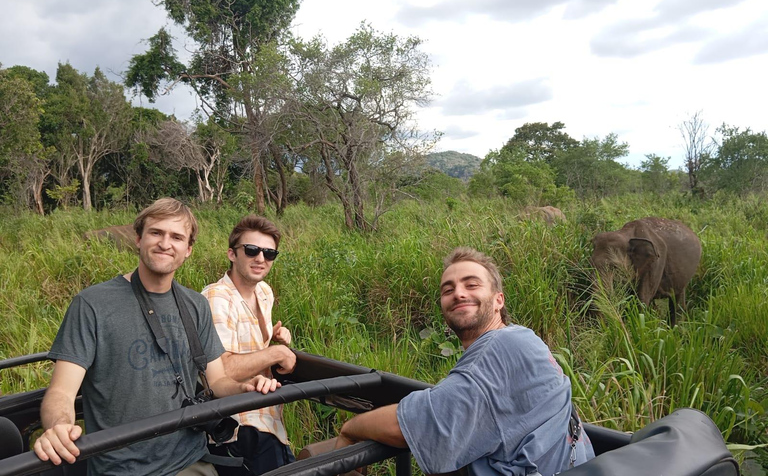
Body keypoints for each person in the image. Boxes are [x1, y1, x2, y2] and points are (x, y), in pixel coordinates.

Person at [33, 198, 280, 476]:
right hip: (121, 468)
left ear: (188, 250)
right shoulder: (92, 304)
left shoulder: (194, 305)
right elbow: (61, 392)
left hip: (191, 461)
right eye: (156, 233)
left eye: (176, 237)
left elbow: (218, 381)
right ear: (138, 239)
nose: (165, 243)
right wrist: (58, 428)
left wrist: (245, 387)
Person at [335, 247, 595, 476]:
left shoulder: (500, 348)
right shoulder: (523, 337)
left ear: (498, 300)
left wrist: (350, 429)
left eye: (472, 285)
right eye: (448, 289)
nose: (458, 294)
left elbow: (412, 424)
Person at [201, 215, 296, 476]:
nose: (261, 259)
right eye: (251, 250)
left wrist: (273, 337)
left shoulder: (264, 292)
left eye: (269, 253)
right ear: (232, 254)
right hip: (238, 426)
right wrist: (276, 352)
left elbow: (249, 343)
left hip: (270, 415)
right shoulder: (217, 298)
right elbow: (222, 369)